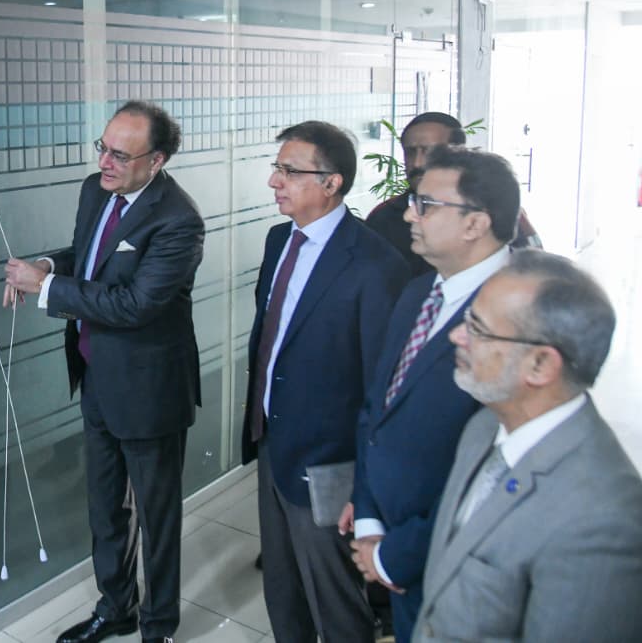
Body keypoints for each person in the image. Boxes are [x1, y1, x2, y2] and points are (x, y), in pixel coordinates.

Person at [4, 101, 203, 643]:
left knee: (156, 518)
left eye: (120, 155)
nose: (104, 162)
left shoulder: (178, 220)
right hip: (96, 375)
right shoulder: (96, 190)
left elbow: (135, 304)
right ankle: (116, 609)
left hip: (150, 389)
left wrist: (46, 288)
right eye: (103, 148)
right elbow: (92, 256)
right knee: (106, 508)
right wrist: (48, 266)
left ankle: (158, 627)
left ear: (156, 161)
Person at [342, 146, 521, 641]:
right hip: (391, 538)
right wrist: (369, 516)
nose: (408, 215)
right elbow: (378, 407)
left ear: (475, 223)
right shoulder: (421, 292)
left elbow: (497, 472)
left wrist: (395, 556)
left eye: (425, 205)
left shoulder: (519, 317)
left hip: (456, 563)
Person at [415, 250, 642, 641]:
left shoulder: (603, 519)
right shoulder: (484, 428)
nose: (456, 336)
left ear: (540, 365)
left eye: (477, 328)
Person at [244, 120, 408, 643]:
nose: (274, 181)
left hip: (330, 459)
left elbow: (383, 387)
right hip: (272, 439)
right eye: (277, 168)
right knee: (282, 585)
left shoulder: (374, 265)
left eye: (289, 171)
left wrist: (367, 487)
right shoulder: (279, 240)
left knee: (334, 599)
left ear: (332, 183)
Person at [366, 112, 539, 277]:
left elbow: (532, 266)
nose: (417, 163)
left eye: (429, 152)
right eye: (410, 152)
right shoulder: (383, 217)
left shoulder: (498, 211)